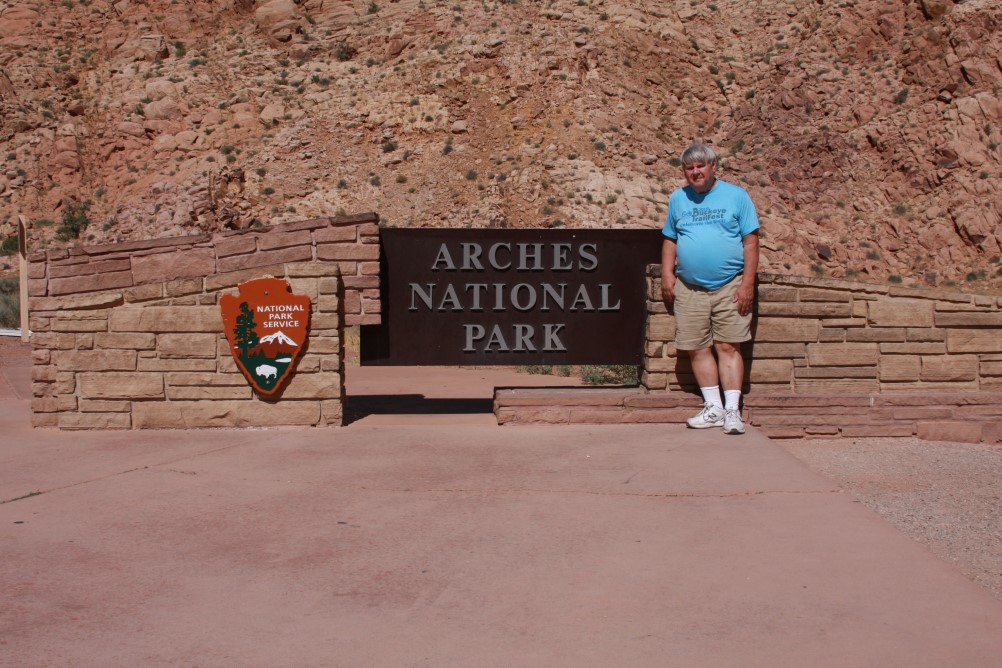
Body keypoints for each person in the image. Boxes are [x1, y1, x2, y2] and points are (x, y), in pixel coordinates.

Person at [661, 143, 760, 435]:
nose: (695, 172)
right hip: (690, 288)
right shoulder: (678, 199)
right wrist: (667, 274)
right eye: (689, 168)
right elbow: (670, 238)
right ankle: (713, 407)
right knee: (697, 347)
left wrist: (747, 284)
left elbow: (751, 242)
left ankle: (732, 411)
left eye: (700, 166)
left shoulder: (736, 196)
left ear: (713, 166)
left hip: (730, 284)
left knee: (728, 346)